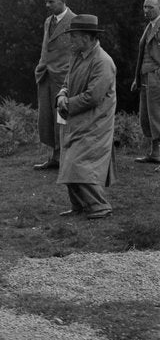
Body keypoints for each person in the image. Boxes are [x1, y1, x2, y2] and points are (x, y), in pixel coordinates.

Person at [55, 15, 116, 219]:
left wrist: (68, 104)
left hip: (95, 122)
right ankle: (80, 206)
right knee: (69, 161)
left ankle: (99, 205)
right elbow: (67, 82)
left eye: (75, 36)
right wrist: (62, 95)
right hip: (76, 119)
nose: (71, 40)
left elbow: (94, 96)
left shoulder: (103, 62)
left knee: (78, 163)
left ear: (88, 37)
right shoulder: (78, 55)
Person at [33, 0, 76, 169]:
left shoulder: (75, 21)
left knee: (63, 117)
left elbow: (79, 51)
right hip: (45, 75)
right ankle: (54, 157)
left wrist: (71, 74)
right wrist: (41, 67)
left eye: (51, 1)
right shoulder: (47, 21)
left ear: (62, 0)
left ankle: (66, 158)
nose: (47, 5)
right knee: (46, 117)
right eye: (46, 1)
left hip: (63, 77)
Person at [130, 0, 160, 165]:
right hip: (146, 77)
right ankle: (154, 153)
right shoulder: (150, 26)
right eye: (145, 6)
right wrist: (137, 79)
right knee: (147, 116)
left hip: (156, 77)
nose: (146, 10)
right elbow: (143, 55)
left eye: (151, 7)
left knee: (156, 115)